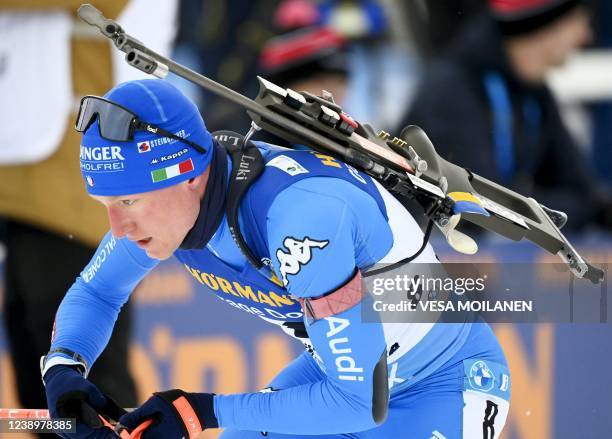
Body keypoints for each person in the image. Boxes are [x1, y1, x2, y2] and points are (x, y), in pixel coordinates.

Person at [41, 79, 510, 438]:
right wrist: (63, 369)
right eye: (107, 206)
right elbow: (97, 291)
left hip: (445, 385)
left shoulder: (300, 219)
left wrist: (200, 412)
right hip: (347, 376)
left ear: (187, 175)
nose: (117, 230)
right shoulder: (168, 209)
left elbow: (359, 403)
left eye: (127, 203)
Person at [397, 0, 612, 231]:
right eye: (579, 22)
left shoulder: (531, 89)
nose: (586, 36)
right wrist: (569, 208)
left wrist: (583, 207)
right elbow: (481, 212)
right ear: (547, 25)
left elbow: (583, 192)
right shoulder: (452, 92)